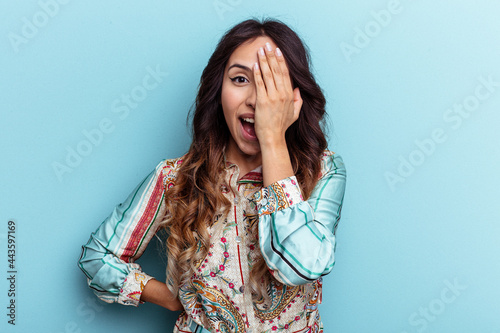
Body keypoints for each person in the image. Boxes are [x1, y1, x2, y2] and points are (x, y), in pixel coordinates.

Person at [78, 18, 346, 333]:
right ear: (219, 89)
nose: (257, 100)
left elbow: (301, 267)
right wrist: (166, 297)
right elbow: (97, 258)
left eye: (273, 83)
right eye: (240, 79)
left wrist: (273, 139)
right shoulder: (174, 178)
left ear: (293, 98)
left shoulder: (323, 170)